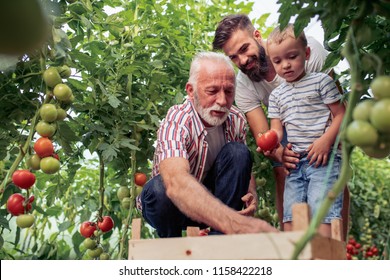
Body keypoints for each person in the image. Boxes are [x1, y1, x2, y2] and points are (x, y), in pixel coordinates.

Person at [213, 14, 350, 237]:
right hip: (286, 119)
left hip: (322, 114)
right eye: (234, 57)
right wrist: (278, 153)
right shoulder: (244, 83)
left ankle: (336, 244)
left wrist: (328, 141)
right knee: (283, 171)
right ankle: (293, 243)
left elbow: (337, 106)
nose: (243, 60)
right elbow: (265, 134)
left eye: (245, 49)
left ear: (257, 36)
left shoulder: (306, 51)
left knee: (330, 170)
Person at [138, 51, 278, 237]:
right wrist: (231, 220)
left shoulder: (235, 119)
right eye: (212, 91)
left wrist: (250, 191)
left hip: (216, 206)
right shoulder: (178, 120)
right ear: (191, 90)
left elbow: (240, 166)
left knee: (238, 152)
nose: (222, 101)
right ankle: (172, 248)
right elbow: (175, 182)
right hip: (173, 208)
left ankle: (220, 241)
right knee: (160, 189)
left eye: (229, 91)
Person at [262, 24, 346, 237]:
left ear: (306, 53)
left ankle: (326, 259)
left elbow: (341, 115)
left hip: (322, 160)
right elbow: (277, 130)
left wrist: (326, 141)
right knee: (291, 214)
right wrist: (270, 142)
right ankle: (296, 262)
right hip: (295, 164)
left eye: (292, 57)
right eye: (278, 61)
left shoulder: (322, 82)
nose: (286, 65)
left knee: (322, 211)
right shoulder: (277, 96)